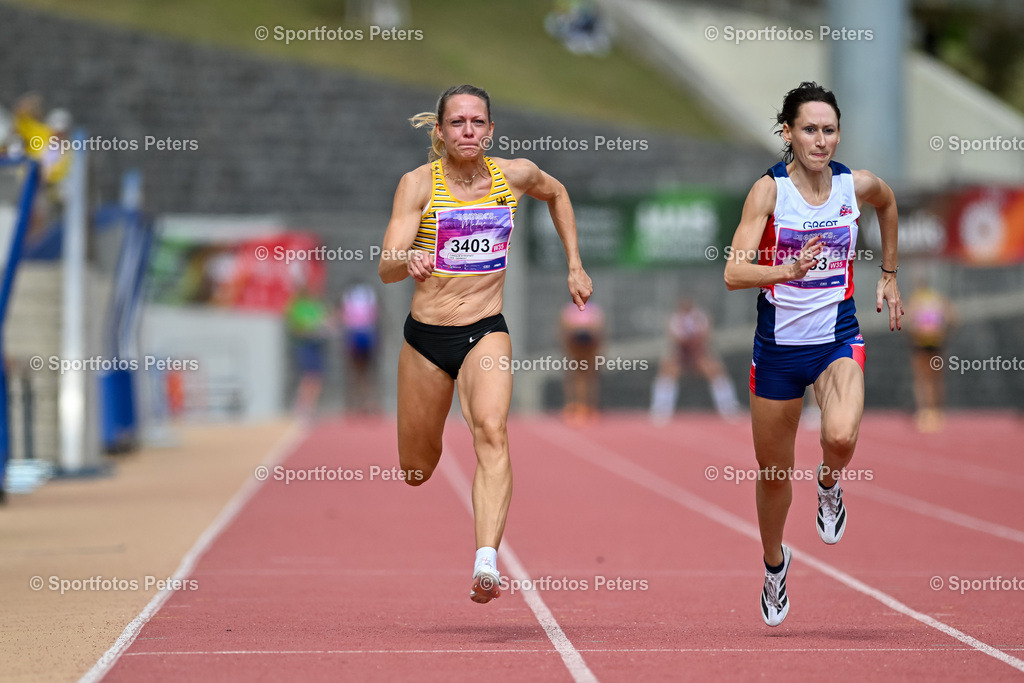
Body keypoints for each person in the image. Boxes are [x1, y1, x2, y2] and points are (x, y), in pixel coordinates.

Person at [379, 84, 592, 603]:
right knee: (415, 470)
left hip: (484, 330)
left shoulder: (514, 176)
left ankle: (485, 561)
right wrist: (406, 260)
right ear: (440, 131)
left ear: (491, 130)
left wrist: (574, 263)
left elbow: (557, 193)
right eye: (457, 123)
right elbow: (386, 265)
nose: (468, 131)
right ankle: (427, 454)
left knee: (492, 432)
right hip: (426, 340)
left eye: (477, 123)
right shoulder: (417, 185)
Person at [724, 82, 903, 627]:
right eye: (809, 130)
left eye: (828, 130)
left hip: (835, 340)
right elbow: (734, 271)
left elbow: (888, 203)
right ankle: (775, 565)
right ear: (788, 133)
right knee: (775, 474)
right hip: (778, 349)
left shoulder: (855, 185)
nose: (820, 141)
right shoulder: (769, 193)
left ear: (838, 134)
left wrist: (890, 273)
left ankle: (829, 484)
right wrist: (786, 270)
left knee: (841, 436)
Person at [649, 298, 741, 423]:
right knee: (667, 371)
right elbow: (675, 339)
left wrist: (697, 350)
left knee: (715, 370)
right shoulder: (675, 318)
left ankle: (729, 408)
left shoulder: (700, 317)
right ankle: (660, 410)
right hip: (681, 354)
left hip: (698, 353)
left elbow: (705, 336)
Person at [906, 277, 956, 432]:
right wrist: (944, 334)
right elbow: (952, 317)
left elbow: (908, 320)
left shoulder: (916, 299)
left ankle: (925, 412)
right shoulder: (937, 298)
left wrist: (913, 334)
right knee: (936, 379)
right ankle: (937, 412)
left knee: (921, 379)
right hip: (936, 341)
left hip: (921, 343)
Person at [285, 285, 330, 419]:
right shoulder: (298, 306)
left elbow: (326, 321)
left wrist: (325, 327)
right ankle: (301, 406)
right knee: (308, 377)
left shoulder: (316, 306)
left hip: (317, 346)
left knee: (317, 377)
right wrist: (313, 329)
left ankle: (310, 407)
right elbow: (296, 327)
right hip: (304, 345)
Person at [339, 281, 381, 414]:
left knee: (357, 371)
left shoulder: (349, 295)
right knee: (365, 372)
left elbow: (345, 317)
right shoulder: (369, 294)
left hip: (356, 335)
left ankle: (357, 404)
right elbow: (374, 315)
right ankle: (366, 403)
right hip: (365, 335)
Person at [560, 299, 604, 423]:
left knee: (590, 377)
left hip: (589, 346)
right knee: (574, 377)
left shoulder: (593, 308)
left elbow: (598, 328)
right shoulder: (569, 308)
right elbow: (565, 328)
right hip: (575, 346)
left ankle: (590, 406)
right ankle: (573, 405)